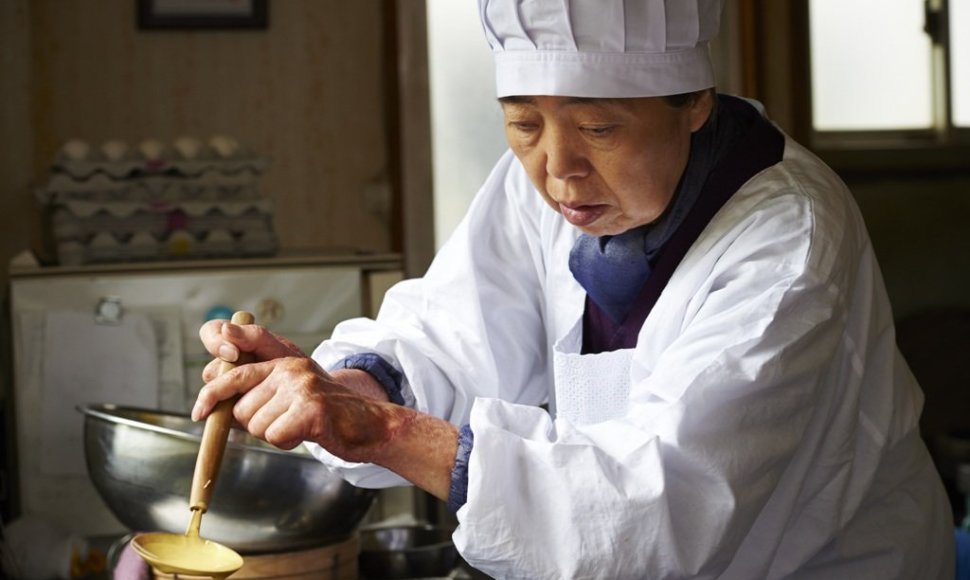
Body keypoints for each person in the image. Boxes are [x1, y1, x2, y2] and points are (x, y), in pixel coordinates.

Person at [192, 0, 954, 577]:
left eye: (598, 129)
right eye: (524, 124)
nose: (558, 170)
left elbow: (658, 502)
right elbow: (454, 333)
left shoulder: (787, 243)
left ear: (694, 104)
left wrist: (377, 428)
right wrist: (341, 388)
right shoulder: (545, 187)